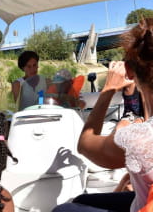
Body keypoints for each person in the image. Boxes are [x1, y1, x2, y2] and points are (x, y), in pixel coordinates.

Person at [52, 18, 153, 212]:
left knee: (62, 210)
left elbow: (85, 144)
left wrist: (108, 89)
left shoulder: (140, 139)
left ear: (130, 71)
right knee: (82, 199)